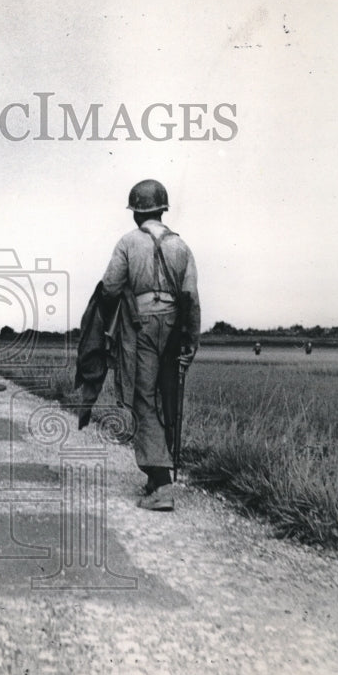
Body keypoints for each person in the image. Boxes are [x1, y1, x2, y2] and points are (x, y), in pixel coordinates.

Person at [100, 179, 200, 511]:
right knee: (166, 398)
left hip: (140, 326)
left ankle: (162, 484)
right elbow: (191, 298)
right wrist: (191, 340)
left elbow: (111, 287)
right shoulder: (182, 247)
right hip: (173, 330)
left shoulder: (128, 242)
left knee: (143, 400)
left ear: (136, 213)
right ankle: (157, 475)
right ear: (162, 209)